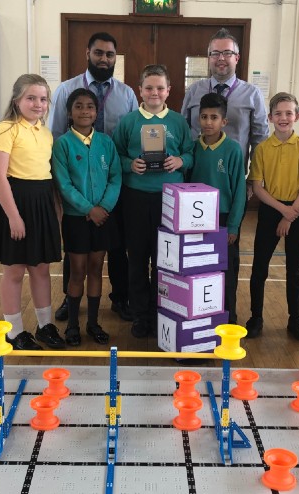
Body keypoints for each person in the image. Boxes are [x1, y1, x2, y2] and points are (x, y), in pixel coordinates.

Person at [48, 32, 137, 324]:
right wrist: (83, 204)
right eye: (98, 53)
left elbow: (133, 138)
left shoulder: (126, 94)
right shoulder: (66, 89)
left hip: (113, 186)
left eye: (110, 54)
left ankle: (120, 298)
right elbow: (57, 135)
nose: (104, 59)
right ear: (88, 53)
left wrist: (106, 204)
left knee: (115, 248)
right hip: (76, 187)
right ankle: (69, 301)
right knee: (74, 256)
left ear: (115, 58)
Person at [0, 74, 65, 351]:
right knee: (15, 270)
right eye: (31, 98)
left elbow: (46, 174)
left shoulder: (45, 132)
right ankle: (14, 332)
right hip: (14, 203)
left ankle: (44, 326)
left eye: (43, 99)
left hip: (41, 203)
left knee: (41, 268)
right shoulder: (5, 130)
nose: (38, 104)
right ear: (17, 100)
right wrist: (14, 216)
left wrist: (55, 208)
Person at [112, 64, 194, 338]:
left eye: (160, 88)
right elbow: (117, 156)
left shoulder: (178, 122)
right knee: (137, 258)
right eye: (149, 87)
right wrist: (129, 164)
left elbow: (191, 153)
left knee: (165, 261)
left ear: (169, 91)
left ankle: (163, 311)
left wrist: (180, 160)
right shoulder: (129, 122)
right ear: (140, 91)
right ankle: (140, 315)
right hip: (135, 198)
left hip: (170, 199)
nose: (154, 92)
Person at [52, 88, 122, 346]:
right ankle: (72, 325)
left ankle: (92, 324)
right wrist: (87, 209)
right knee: (77, 271)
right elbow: (64, 184)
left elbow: (116, 177)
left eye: (90, 106)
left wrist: (103, 207)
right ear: (70, 113)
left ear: (96, 112)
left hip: (103, 217)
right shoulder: (62, 145)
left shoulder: (106, 142)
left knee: (96, 269)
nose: (85, 111)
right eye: (79, 106)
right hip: (76, 219)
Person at [245, 92, 299, 341]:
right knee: (259, 267)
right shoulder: (262, 149)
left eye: (289, 113)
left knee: (294, 270)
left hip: (295, 212)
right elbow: (258, 186)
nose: (284, 117)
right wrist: (281, 211)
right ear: (270, 117)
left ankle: (294, 319)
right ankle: (256, 317)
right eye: (278, 113)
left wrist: (290, 213)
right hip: (270, 210)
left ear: (296, 116)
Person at [188, 93, 246, 324]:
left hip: (223, 220)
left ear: (224, 122)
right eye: (204, 117)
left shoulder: (233, 150)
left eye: (214, 117)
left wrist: (233, 226)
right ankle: (202, 317)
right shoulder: (192, 149)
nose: (208, 122)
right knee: (199, 272)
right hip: (194, 220)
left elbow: (240, 192)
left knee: (226, 274)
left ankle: (229, 320)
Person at [181, 28, 269, 177]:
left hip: (233, 176)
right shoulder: (194, 90)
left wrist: (254, 178)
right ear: (209, 58)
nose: (221, 58)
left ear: (237, 58)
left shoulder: (252, 94)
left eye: (227, 53)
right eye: (215, 53)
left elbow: (260, 140)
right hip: (195, 174)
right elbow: (182, 132)